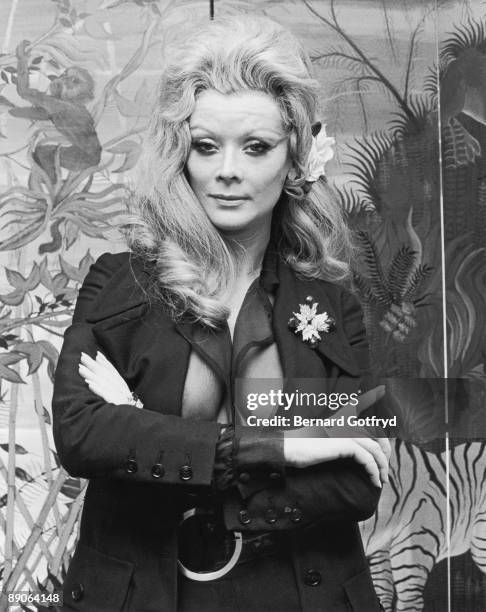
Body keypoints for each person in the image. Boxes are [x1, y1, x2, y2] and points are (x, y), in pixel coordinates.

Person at [52, 15, 390, 612]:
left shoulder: (332, 306)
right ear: (183, 155)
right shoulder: (120, 282)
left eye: (255, 147)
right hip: (145, 596)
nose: (226, 169)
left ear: (294, 159)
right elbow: (83, 435)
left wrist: (165, 447)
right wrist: (283, 447)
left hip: (300, 595)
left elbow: (357, 480)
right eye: (206, 146)